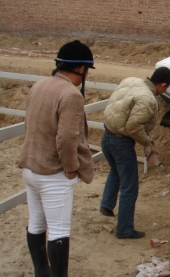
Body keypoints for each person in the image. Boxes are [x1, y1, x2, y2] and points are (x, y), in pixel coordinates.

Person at [18, 40, 96, 277]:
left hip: (30, 167)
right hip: (52, 173)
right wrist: (71, 169)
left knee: (37, 224)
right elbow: (66, 139)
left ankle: (41, 272)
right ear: (81, 69)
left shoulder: (39, 85)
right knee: (59, 231)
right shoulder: (71, 95)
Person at [100, 67, 170, 239]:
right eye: (166, 88)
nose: (165, 91)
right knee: (130, 188)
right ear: (162, 84)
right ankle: (125, 230)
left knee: (115, 171)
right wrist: (147, 142)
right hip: (121, 142)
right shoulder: (148, 99)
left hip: (107, 135)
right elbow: (133, 127)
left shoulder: (131, 80)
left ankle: (107, 204)